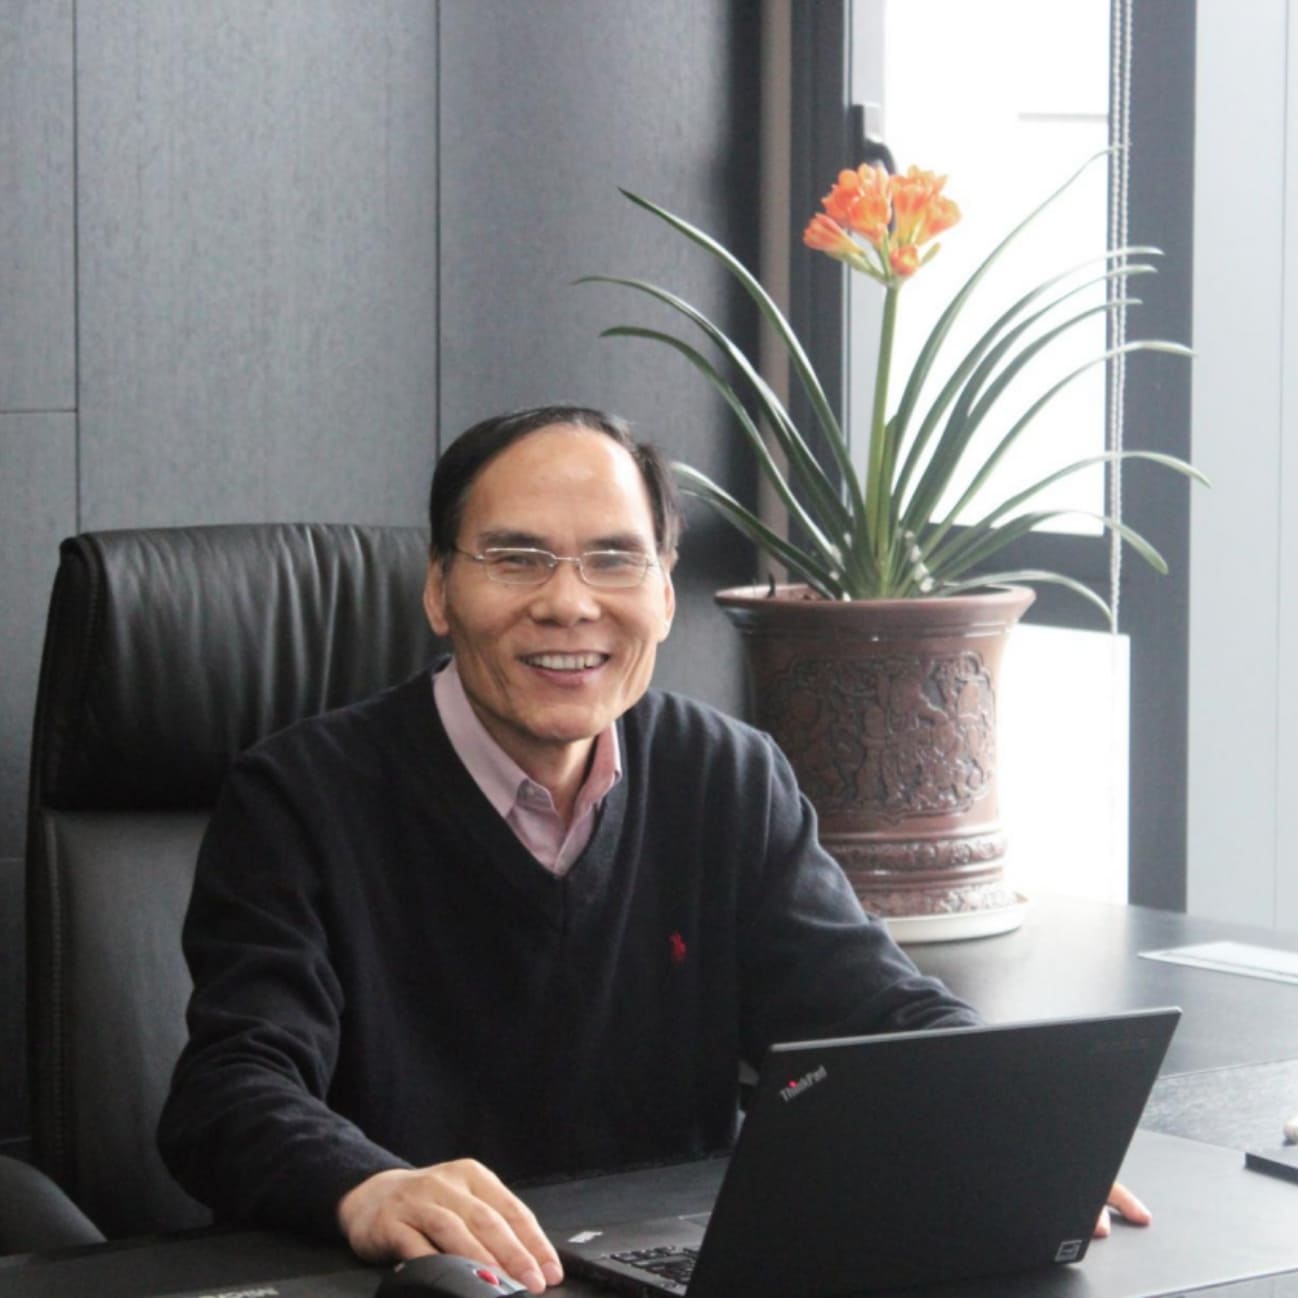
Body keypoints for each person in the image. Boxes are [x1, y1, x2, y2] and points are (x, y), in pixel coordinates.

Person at [158, 405, 1146, 1291]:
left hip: (658, 1271)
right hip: (425, 1283)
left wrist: (1007, 1114)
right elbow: (229, 1089)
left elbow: (871, 1008)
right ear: (439, 590)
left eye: (614, 559)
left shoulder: (725, 775)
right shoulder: (300, 797)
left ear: (666, 594)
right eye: (516, 557)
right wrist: (367, 1185)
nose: (569, 602)